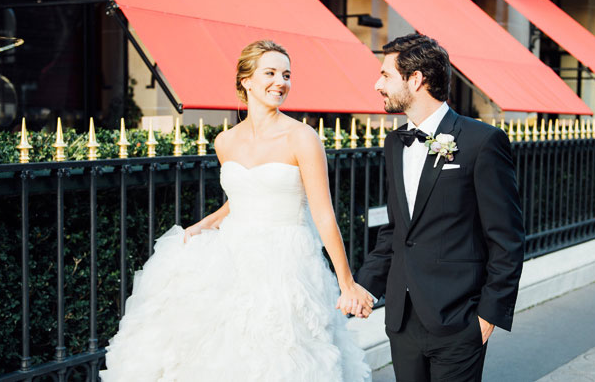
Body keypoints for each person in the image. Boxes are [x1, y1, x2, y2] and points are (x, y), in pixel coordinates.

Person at [100, 40, 373, 382]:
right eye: (270, 73)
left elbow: (324, 213)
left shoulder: (302, 138)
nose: (281, 82)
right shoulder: (225, 141)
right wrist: (201, 226)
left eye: (286, 74)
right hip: (231, 258)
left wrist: (347, 284)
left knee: (281, 358)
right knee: (221, 355)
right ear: (246, 81)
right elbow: (240, 199)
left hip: (286, 263)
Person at [354, 34, 525, 382]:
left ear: (415, 80)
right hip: (402, 321)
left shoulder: (482, 141)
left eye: (386, 75)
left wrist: (488, 315)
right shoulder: (394, 143)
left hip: (459, 321)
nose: (377, 84)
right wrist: (365, 285)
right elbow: (397, 228)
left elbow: (507, 237)